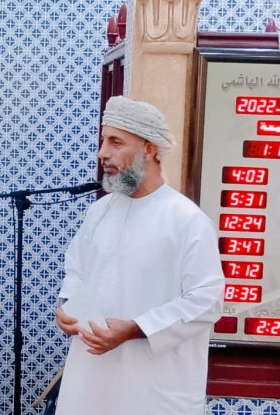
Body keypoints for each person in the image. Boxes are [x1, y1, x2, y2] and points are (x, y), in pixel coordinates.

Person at [54, 96, 225, 414]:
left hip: (154, 387)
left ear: (149, 149)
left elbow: (206, 300)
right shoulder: (99, 212)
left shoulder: (187, 220)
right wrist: (69, 307)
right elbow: (77, 270)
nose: (103, 153)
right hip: (90, 379)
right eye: (103, 141)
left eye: (116, 142)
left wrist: (137, 328)